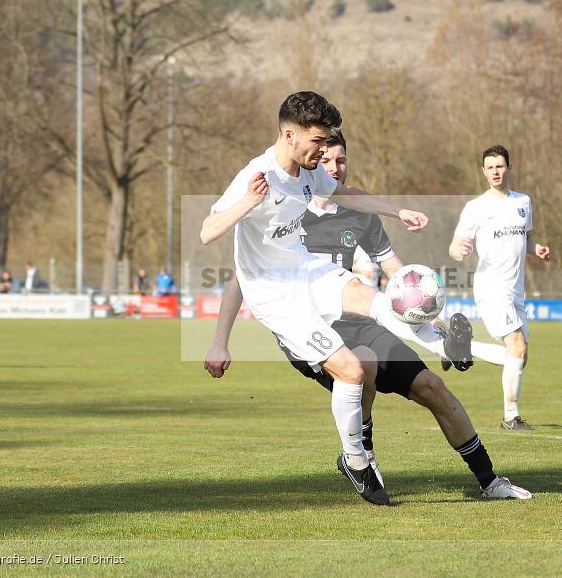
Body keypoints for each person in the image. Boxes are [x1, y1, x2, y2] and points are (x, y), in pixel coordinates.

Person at [204, 129, 529, 500]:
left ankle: (489, 481)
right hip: (309, 323)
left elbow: (395, 271)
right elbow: (241, 277)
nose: (334, 167)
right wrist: (219, 341)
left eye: (341, 160)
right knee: (362, 366)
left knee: (432, 387)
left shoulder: (360, 215)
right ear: (310, 159)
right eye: (325, 159)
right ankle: (361, 455)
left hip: (360, 317)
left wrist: (431, 318)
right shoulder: (287, 207)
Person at [449, 144, 551, 431]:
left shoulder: (523, 202)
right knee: (516, 348)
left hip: (517, 290)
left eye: (500, 166)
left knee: (520, 354)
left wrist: (537, 248)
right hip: (492, 288)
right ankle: (511, 417)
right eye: (490, 167)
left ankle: (461, 348)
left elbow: (526, 239)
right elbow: (455, 248)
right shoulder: (476, 208)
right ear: (483, 171)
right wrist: (461, 250)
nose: (495, 171)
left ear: (509, 167)